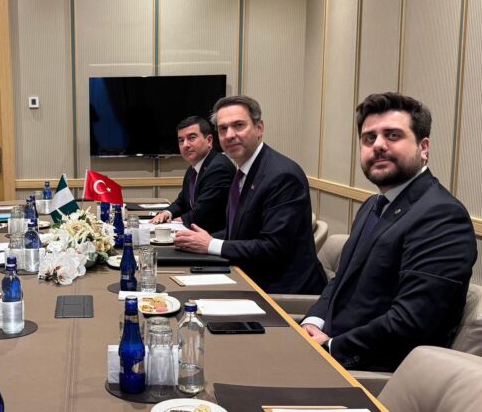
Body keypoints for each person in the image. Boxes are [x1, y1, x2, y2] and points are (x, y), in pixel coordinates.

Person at [302, 93, 477, 372]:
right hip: (326, 353)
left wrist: (332, 347)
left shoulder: (442, 216)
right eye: (369, 138)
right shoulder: (373, 205)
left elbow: (411, 322)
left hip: (371, 375)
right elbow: (341, 281)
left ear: (424, 147)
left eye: (393, 135)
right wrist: (314, 321)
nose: (379, 145)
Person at [174, 95, 326, 294]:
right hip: (247, 275)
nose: (229, 135)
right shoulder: (243, 172)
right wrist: (199, 239)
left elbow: (272, 248)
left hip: (280, 291)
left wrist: (211, 244)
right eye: (223, 128)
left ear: (259, 128)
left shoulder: (282, 175)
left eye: (238, 125)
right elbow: (239, 232)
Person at [150, 116, 235, 233]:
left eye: (192, 138)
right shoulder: (193, 169)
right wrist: (167, 212)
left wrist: (177, 222)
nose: (185, 145)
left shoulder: (219, 168)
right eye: (181, 140)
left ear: (209, 140)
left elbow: (204, 211)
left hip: (213, 237)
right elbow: (182, 201)